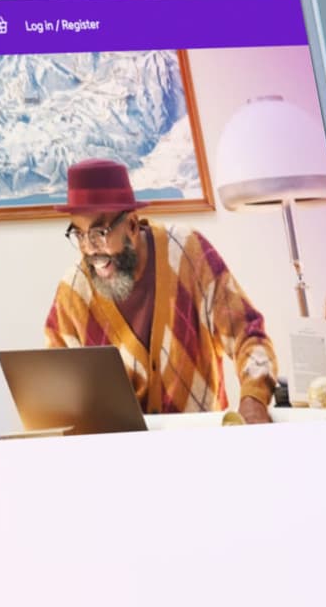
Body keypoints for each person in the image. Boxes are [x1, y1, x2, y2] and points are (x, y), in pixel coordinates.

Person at [39, 158, 278, 424]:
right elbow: (56, 389)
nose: (90, 249)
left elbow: (248, 334)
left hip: (202, 445)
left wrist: (253, 400)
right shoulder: (73, 290)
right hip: (118, 455)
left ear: (131, 225)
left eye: (99, 232)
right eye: (79, 235)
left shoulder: (189, 252)